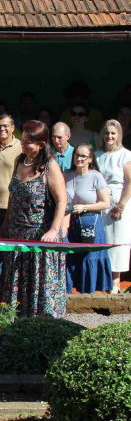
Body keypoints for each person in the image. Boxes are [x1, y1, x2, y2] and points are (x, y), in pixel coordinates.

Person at [0, 121, 68, 317]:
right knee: (16, 283)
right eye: (23, 140)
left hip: (40, 237)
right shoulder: (19, 161)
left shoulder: (50, 166)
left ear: (41, 144)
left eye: (29, 141)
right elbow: (13, 195)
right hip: (16, 235)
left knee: (39, 287)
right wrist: (6, 223)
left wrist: (54, 230)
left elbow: (62, 200)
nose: (23, 144)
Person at [65, 143, 112, 293]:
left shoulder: (96, 176)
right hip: (71, 223)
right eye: (76, 155)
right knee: (70, 259)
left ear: (90, 159)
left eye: (82, 156)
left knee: (89, 259)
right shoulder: (67, 174)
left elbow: (106, 203)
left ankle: (89, 294)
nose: (78, 158)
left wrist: (85, 207)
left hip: (91, 223)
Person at [95, 119, 131, 293]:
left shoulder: (126, 155)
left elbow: (130, 182)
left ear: (119, 135)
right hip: (100, 201)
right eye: (107, 133)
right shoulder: (97, 154)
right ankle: (101, 279)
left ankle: (116, 280)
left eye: (113, 133)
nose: (110, 136)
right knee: (102, 240)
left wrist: (122, 204)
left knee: (118, 240)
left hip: (118, 202)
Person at [0, 113, 22, 291]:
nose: (2, 129)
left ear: (13, 128)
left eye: (6, 126)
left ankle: (5, 280)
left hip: (11, 204)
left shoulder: (20, 147)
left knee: (8, 244)